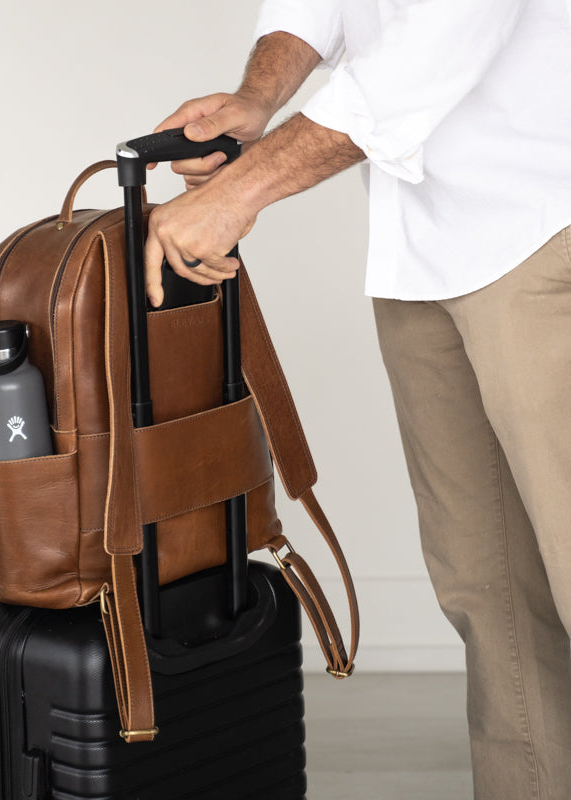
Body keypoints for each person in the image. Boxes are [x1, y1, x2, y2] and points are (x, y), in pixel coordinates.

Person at [143, 2, 571, 798]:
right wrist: (258, 95)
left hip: (547, 218)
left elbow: (447, 31)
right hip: (424, 243)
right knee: (491, 593)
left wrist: (241, 188)